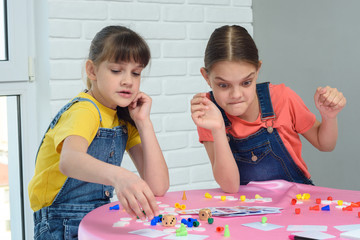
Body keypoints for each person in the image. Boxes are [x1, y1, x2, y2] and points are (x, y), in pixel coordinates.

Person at [28, 25, 169, 239]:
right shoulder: (85, 110)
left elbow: (158, 186)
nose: (128, 81)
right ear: (92, 70)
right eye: (116, 70)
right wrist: (121, 176)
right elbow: (70, 160)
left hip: (95, 217)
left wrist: (143, 122)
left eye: (136, 73)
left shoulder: (123, 118)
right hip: (60, 223)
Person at [190, 25, 346, 193]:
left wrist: (329, 117)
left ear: (257, 71)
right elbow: (230, 186)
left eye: (246, 83)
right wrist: (218, 129)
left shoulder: (282, 98)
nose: (236, 95)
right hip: (247, 211)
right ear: (206, 77)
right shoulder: (208, 113)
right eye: (223, 85)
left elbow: (325, 145)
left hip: (297, 204)